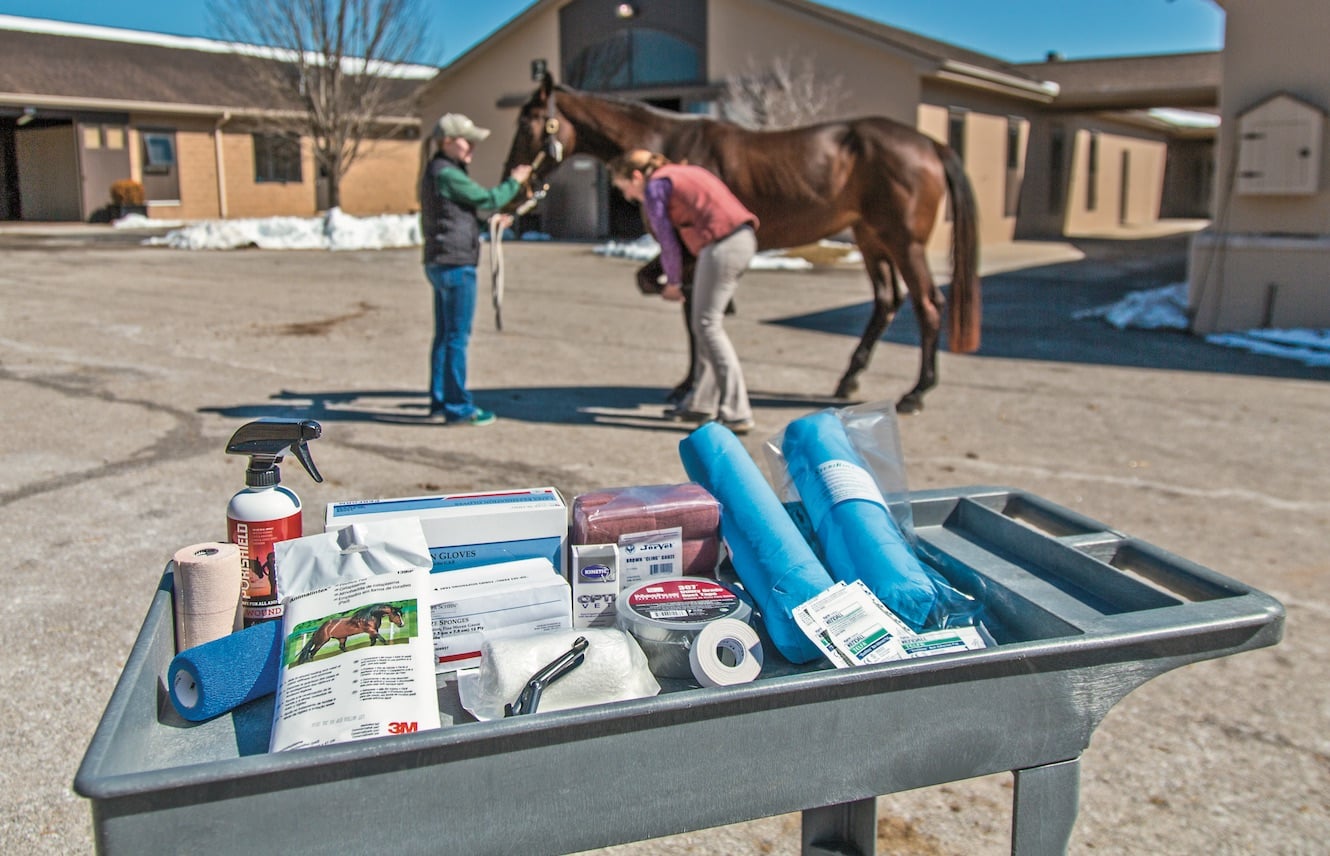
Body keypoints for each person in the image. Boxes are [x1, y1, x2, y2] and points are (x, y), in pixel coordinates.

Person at [609, 149, 760, 434]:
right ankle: (701, 403)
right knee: (703, 325)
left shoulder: (656, 186)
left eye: (624, 187)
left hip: (721, 247)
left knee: (707, 325)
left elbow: (666, 238)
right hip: (739, 239)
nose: (628, 196)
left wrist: (673, 281)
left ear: (637, 176)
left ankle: (736, 411)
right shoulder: (680, 173)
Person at [419, 113, 533, 425]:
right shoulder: (448, 173)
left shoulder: (438, 171)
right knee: (456, 337)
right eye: (466, 140)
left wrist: (487, 221)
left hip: (441, 260)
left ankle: (440, 402)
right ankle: (458, 407)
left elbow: (458, 213)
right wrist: (516, 182)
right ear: (447, 141)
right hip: (456, 263)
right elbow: (486, 198)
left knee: (444, 337)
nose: (471, 147)